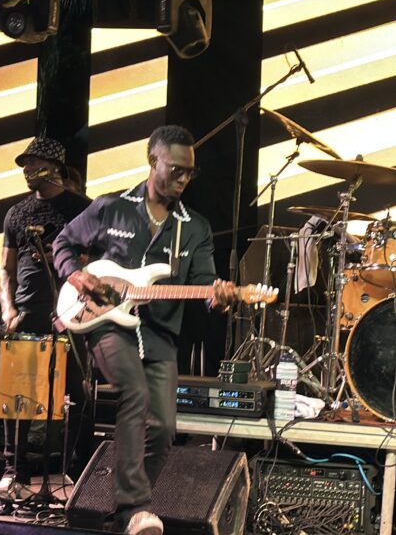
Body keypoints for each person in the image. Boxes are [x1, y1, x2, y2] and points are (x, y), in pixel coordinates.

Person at [53, 125, 237, 535]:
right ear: (153, 160)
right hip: (105, 323)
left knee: (164, 427)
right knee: (134, 393)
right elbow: (63, 243)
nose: (183, 179)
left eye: (190, 173)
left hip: (159, 335)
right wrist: (78, 276)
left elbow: (205, 286)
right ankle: (137, 507)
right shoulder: (111, 207)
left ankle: (124, 517)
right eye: (176, 170)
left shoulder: (195, 228)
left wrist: (220, 297)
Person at [0, 137, 91, 499]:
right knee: (17, 391)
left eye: (34, 164)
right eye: (25, 165)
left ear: (55, 167)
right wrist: (8, 308)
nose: (28, 171)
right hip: (28, 310)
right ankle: (13, 471)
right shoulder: (16, 213)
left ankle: (77, 471)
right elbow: (5, 269)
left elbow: (102, 259)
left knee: (76, 392)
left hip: (72, 310)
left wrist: (67, 261)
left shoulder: (82, 208)